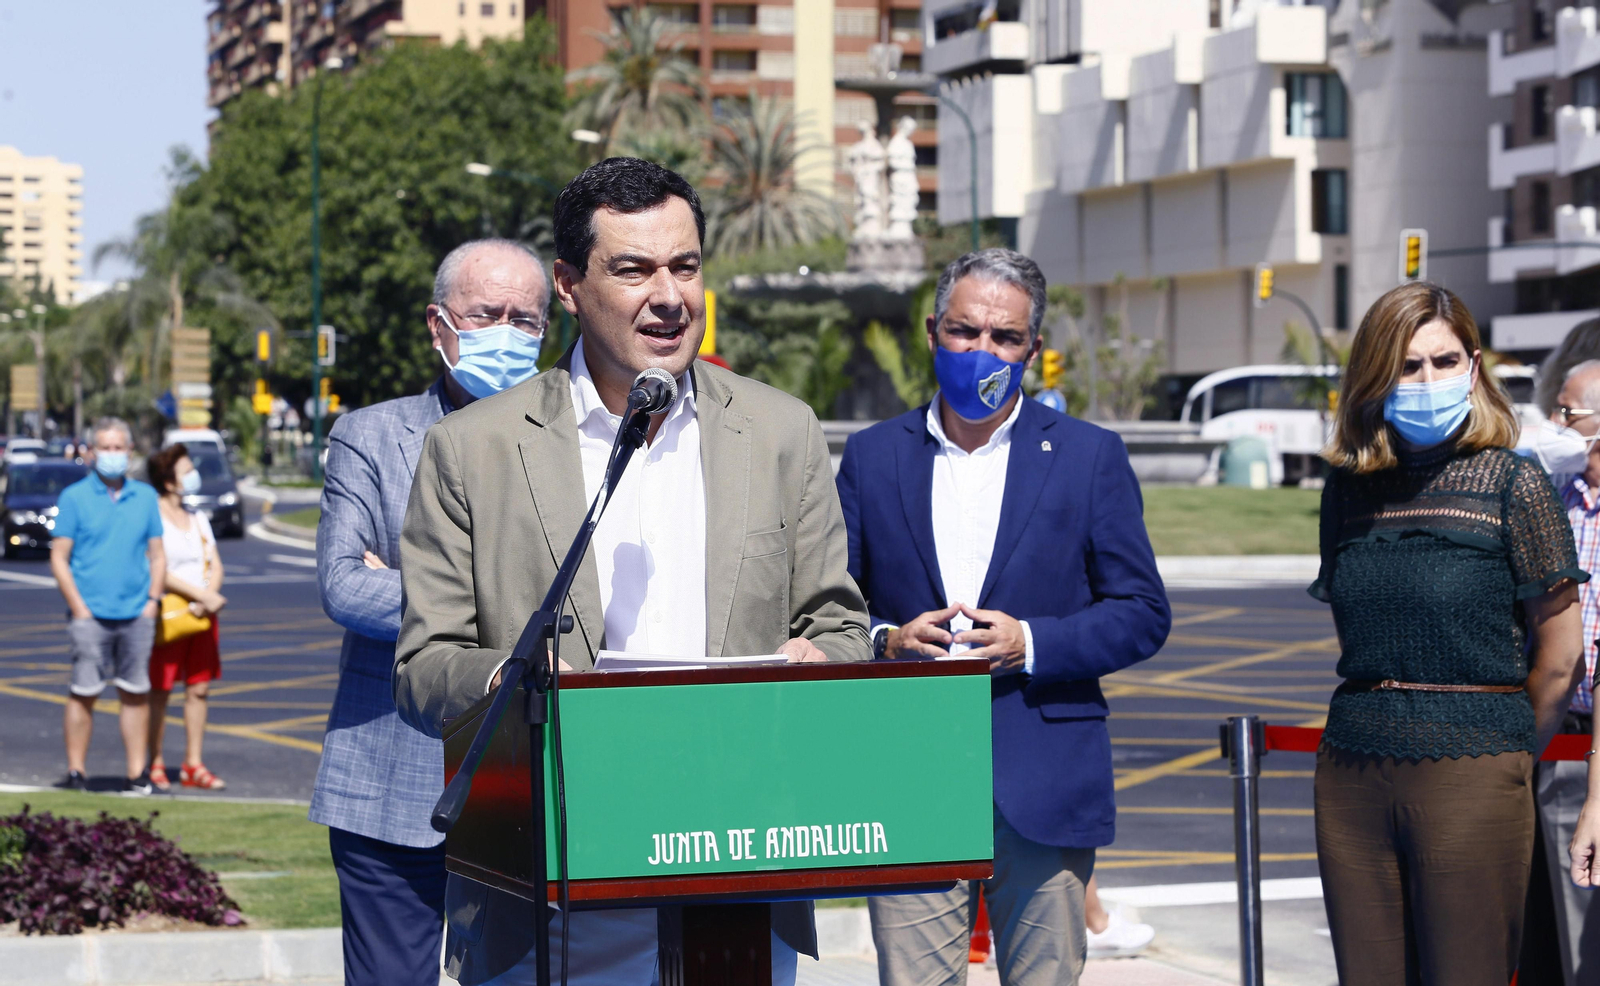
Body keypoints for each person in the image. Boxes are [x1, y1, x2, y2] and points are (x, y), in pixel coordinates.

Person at [393, 157, 872, 986]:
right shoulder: (472, 449)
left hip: (736, 874)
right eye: (634, 269)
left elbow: (838, 622)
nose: (669, 295)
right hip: (546, 889)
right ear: (570, 284)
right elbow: (422, 667)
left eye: (684, 267)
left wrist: (823, 662)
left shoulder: (782, 431)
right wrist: (511, 675)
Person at [835, 248, 1171, 986]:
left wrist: (1034, 643)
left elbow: (1143, 612)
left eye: (1005, 338)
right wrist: (887, 639)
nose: (982, 350)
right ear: (933, 332)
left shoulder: (1090, 458)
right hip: (910, 776)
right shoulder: (870, 457)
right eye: (964, 331)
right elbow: (832, 605)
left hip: (1044, 778)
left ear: (1032, 351)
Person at [1311, 281, 1586, 986]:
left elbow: (1561, 654)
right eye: (1407, 366)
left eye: (1444, 360)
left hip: (1475, 764)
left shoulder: (1512, 484)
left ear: (1473, 365)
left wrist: (1501, 749)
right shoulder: (1347, 488)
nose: (1428, 380)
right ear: (1375, 376)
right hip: (1352, 769)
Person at [308, 238, 550, 986]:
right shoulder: (371, 437)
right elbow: (345, 585)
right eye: (487, 314)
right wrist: (504, 605)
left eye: (526, 319)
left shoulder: (578, 440)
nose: (507, 332)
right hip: (387, 775)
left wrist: (415, 583)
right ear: (438, 325)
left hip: (531, 779)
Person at [50, 416, 166, 796]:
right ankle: (76, 772)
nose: (112, 455)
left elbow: (157, 555)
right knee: (84, 693)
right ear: (90, 452)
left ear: (130, 452)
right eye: (105, 447)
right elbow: (59, 557)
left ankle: (137, 774)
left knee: (135, 693)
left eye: (118, 447)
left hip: (137, 614)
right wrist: (79, 608)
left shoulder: (146, 497)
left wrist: (152, 602)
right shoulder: (74, 498)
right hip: (90, 616)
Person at [144, 443, 228, 792]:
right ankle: (155, 762)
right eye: (185, 469)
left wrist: (209, 596)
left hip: (202, 615)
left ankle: (193, 764)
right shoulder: (154, 518)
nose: (193, 474)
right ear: (168, 480)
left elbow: (214, 561)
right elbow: (158, 568)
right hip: (173, 614)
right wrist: (199, 597)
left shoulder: (198, 518)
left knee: (199, 688)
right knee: (160, 690)